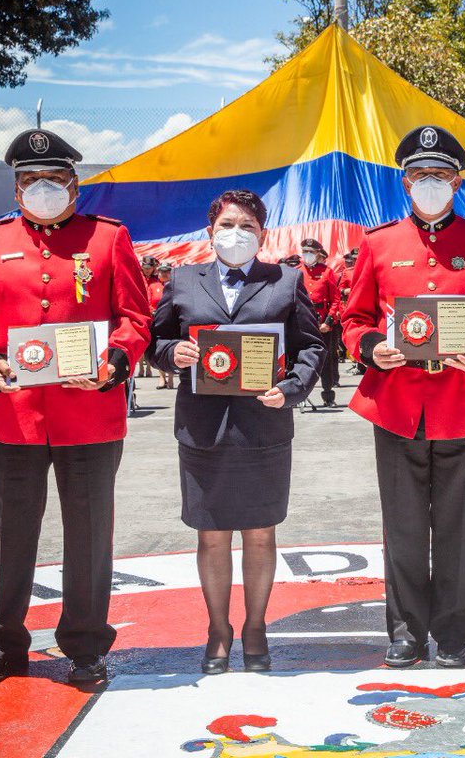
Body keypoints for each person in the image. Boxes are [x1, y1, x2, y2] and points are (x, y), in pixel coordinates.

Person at [0, 128, 151, 688]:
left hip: (90, 415)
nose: (42, 189)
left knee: (89, 534)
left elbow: (135, 317)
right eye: (30, 181)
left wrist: (113, 365)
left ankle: (85, 645)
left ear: (74, 184)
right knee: (11, 533)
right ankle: (4, 644)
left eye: (53, 179)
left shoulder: (108, 239)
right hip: (12, 416)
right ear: (15, 190)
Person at [341, 125, 465, 669]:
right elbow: (354, 319)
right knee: (402, 528)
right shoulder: (377, 244)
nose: (429, 183)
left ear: (458, 181)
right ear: (404, 182)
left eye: (439, 175)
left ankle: (453, 634)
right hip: (396, 407)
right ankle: (405, 632)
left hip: (463, 407)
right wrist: (373, 348)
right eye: (419, 175)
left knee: (458, 529)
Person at [149, 189, 325, 673]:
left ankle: (255, 626)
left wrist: (291, 389)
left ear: (262, 234)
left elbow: (311, 346)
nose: (236, 233)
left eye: (247, 225)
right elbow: (157, 338)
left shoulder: (286, 281)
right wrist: (172, 355)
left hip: (263, 426)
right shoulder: (183, 280)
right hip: (203, 429)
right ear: (210, 232)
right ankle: (218, 629)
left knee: (261, 533)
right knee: (211, 535)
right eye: (227, 224)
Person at [298, 238, 342, 406]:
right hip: (303, 321)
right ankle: (299, 394)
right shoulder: (297, 272)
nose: (307, 255)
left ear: (318, 254)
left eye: (311, 252)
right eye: (305, 252)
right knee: (301, 358)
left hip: (322, 322)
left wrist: (329, 322)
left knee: (326, 359)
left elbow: (336, 299)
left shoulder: (327, 272)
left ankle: (328, 395)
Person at [137, 256, 161, 379]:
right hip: (139, 312)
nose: (147, 270)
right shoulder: (137, 278)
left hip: (153, 315)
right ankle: (141, 367)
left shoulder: (156, 281)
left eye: (150, 268)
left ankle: (149, 367)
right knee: (140, 341)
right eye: (145, 267)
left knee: (151, 341)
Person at [154, 262, 175, 389]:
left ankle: (171, 377)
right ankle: (162, 377)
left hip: (172, 319)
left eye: (167, 271)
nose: (164, 273)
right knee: (158, 348)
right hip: (156, 319)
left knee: (172, 346)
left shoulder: (177, 286)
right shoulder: (153, 286)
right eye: (162, 271)